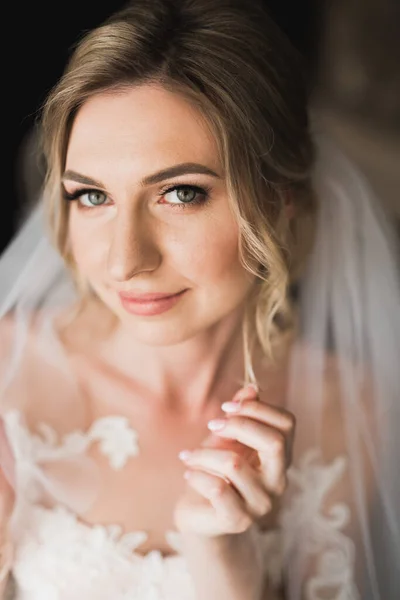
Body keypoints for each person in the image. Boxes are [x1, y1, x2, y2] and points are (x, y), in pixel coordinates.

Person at [0, 0, 399, 598]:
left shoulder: (353, 414)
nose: (124, 260)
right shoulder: (7, 375)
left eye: (181, 193)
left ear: (279, 201)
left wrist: (223, 559)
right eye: (91, 196)